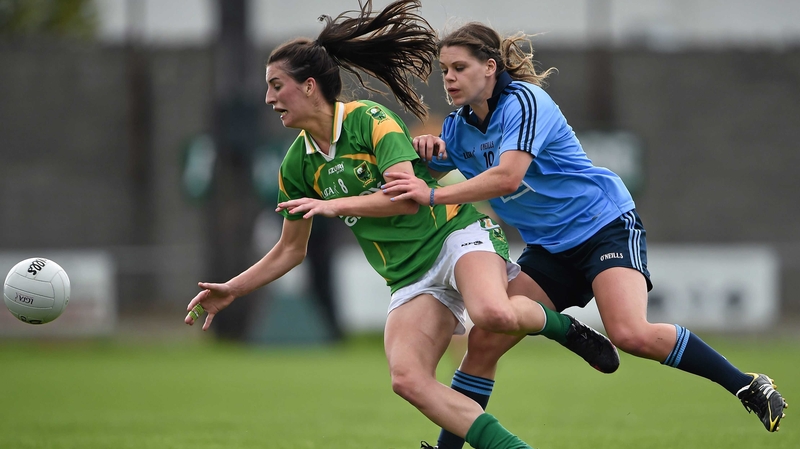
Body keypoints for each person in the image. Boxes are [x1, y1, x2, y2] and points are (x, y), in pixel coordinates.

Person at [183, 3, 618, 448]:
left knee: (492, 314)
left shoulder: (370, 120)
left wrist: (336, 206)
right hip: (408, 275)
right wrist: (232, 289)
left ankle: (567, 329)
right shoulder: (296, 162)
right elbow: (290, 250)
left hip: (456, 237)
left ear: (309, 86)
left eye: (277, 86)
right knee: (407, 379)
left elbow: (407, 201)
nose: (270, 98)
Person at [381, 22, 788, 448]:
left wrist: (430, 193)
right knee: (484, 340)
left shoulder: (525, 101)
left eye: (459, 68)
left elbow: (506, 177)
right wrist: (425, 157)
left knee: (630, 333)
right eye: (444, 70)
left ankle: (747, 385)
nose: (448, 79)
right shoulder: (458, 128)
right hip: (550, 249)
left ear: (490, 67)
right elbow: (425, 171)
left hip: (603, 226)